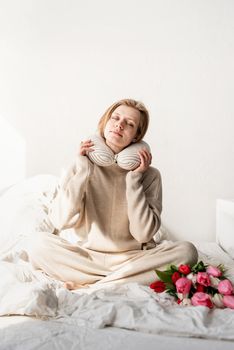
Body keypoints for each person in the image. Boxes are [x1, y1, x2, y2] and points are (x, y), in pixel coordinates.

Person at [27, 98, 198, 290]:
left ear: (136, 136)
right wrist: (83, 171)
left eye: (130, 123)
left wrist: (134, 180)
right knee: (36, 244)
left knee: (187, 252)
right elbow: (60, 221)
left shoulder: (150, 175)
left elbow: (143, 234)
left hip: (131, 260)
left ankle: (92, 286)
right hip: (86, 258)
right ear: (105, 122)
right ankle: (116, 282)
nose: (120, 124)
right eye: (115, 117)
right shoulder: (81, 164)